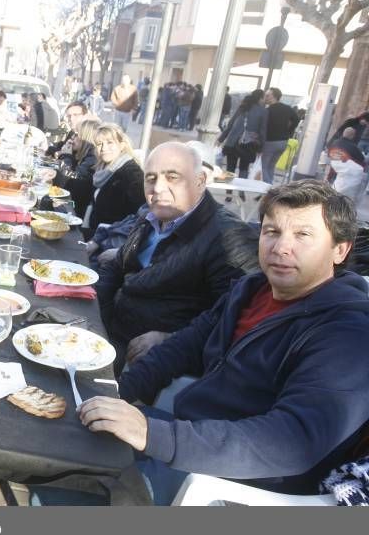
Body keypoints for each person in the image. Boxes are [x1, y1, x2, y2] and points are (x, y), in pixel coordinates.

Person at [80, 179, 369, 504]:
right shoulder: (252, 289)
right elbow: (186, 344)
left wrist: (155, 435)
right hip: (189, 431)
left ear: (339, 249)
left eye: (303, 235)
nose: (281, 247)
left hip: (236, 483)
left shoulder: (348, 332)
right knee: (72, 439)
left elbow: (295, 439)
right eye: (272, 231)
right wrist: (121, 391)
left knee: (71, 496)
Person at [95, 142, 259, 376]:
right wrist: (94, 317)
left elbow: (235, 317)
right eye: (150, 178)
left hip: (150, 360)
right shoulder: (151, 214)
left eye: (172, 177)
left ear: (200, 181)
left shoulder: (228, 236)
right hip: (111, 328)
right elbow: (117, 267)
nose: (158, 188)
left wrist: (169, 338)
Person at [86, 123, 145, 232]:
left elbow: (137, 218)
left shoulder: (132, 174)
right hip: (94, 233)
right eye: (99, 144)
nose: (104, 148)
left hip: (110, 241)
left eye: (110, 143)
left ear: (121, 145)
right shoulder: (101, 168)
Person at [53, 119, 100, 231]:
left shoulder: (92, 159)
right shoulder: (83, 156)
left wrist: (66, 157)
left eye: (76, 135)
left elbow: (67, 185)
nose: (72, 138)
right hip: (72, 207)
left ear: (86, 139)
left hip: (78, 216)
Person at [217, 89, 267, 179]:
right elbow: (262, 131)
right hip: (249, 143)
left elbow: (231, 124)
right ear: (260, 98)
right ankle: (241, 190)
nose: (264, 100)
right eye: (263, 98)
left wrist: (221, 139)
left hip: (233, 141)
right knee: (244, 167)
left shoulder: (243, 107)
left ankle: (228, 188)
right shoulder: (263, 111)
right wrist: (261, 148)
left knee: (230, 166)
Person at [261, 87, 300, 184]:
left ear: (274, 97)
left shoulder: (268, 110)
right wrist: (289, 131)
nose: (265, 97)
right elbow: (296, 119)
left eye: (267, 95)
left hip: (270, 142)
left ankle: (268, 189)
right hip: (283, 142)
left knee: (264, 167)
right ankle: (269, 187)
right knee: (271, 166)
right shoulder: (287, 108)